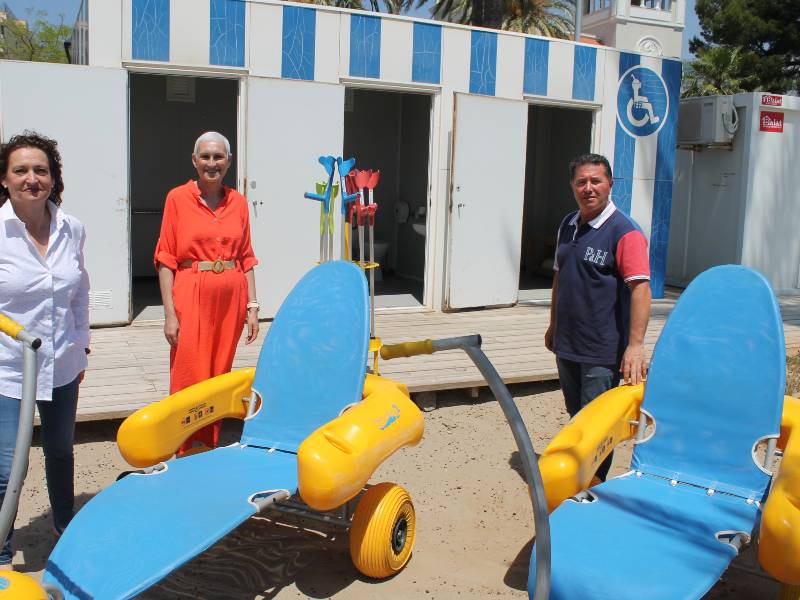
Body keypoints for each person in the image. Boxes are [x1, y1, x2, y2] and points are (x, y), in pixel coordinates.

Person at [0, 132, 90, 567]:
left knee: (60, 450)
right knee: (5, 469)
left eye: (41, 170)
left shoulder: (71, 228)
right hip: (9, 370)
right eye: (21, 170)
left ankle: (63, 527)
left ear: (54, 178)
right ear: (5, 179)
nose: (31, 179)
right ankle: (0, 551)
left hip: (62, 363)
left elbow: (79, 293)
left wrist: (81, 345)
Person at [544, 153, 651, 482]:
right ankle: (579, 481)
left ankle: (594, 490)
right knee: (577, 419)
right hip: (568, 343)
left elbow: (640, 289)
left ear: (609, 185)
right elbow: (559, 278)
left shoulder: (624, 232)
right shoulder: (568, 224)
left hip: (601, 352)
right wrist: (553, 325)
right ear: (573, 186)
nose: (588, 188)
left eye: (596, 181)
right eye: (581, 182)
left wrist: (635, 346)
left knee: (597, 427)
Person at [154, 132, 259, 454]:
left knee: (218, 373)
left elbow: (246, 257)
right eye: (205, 157)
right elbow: (165, 258)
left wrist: (253, 305)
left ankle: (207, 443)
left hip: (231, 296)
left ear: (228, 162)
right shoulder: (177, 198)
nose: (211, 163)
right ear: (194, 161)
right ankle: (183, 445)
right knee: (188, 371)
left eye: (218, 157)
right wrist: (170, 313)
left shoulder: (238, 202)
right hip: (191, 291)